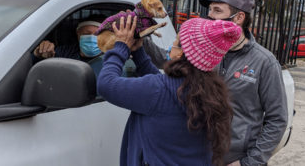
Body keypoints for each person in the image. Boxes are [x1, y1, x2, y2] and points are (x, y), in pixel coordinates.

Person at [97, 15, 242, 166]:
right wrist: (139, 53)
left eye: (176, 41)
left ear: (180, 53)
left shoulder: (158, 90)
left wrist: (121, 47)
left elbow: (106, 84)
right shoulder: (211, 92)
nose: (172, 43)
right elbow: (164, 93)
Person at [199, 0, 288, 166]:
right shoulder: (206, 50)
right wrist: (139, 44)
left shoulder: (265, 62)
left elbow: (277, 120)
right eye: (210, 10)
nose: (210, 16)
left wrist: (248, 162)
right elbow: (169, 61)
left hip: (236, 160)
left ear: (239, 17)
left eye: (217, 10)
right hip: (203, 156)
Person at [33, 17, 104, 75]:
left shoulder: (111, 57)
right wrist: (39, 54)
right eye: (86, 33)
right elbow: (47, 59)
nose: (91, 38)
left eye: (97, 34)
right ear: (78, 34)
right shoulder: (65, 53)